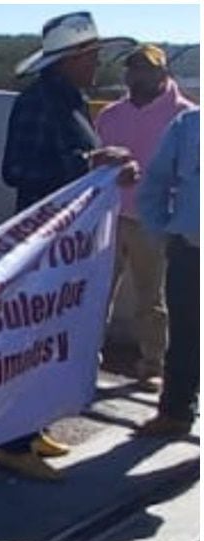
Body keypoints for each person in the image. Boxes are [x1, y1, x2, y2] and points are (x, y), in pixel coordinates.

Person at [0, 11, 139, 481]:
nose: (98, 62)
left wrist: (106, 172)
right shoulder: (39, 102)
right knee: (27, 340)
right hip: (41, 245)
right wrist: (90, 165)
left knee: (46, 341)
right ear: (69, 60)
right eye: (91, 55)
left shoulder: (72, 101)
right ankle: (12, 442)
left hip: (63, 246)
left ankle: (31, 428)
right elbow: (18, 170)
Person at [94, 44, 195, 392]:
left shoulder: (185, 116)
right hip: (107, 217)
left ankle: (153, 364)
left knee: (151, 299)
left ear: (162, 74)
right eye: (133, 68)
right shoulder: (109, 114)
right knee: (96, 293)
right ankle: (88, 358)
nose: (137, 74)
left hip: (154, 224)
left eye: (145, 69)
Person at [135, 107, 199, 437]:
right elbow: (155, 182)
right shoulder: (189, 125)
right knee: (186, 334)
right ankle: (176, 412)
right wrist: (162, 230)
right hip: (191, 250)